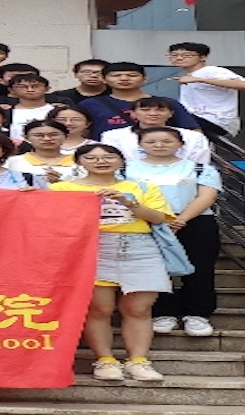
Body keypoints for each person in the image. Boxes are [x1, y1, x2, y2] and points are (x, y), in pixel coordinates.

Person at [51, 143, 176, 385]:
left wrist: (129, 202)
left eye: (109, 156)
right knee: (100, 309)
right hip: (90, 248)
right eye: (92, 157)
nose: (101, 161)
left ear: (121, 161)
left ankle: (138, 361)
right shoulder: (61, 188)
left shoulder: (142, 187)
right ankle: (105, 360)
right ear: (78, 162)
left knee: (139, 308)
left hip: (140, 247)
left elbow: (159, 217)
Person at [121, 124, 223, 338]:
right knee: (154, 269)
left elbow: (207, 196)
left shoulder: (200, 169)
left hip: (194, 222)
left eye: (167, 141)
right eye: (151, 142)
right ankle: (162, 312)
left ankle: (197, 314)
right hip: (144, 222)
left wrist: (181, 219)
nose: (159, 145)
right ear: (140, 145)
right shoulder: (125, 170)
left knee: (200, 268)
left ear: (180, 144)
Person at [165, 43, 245, 137]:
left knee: (164, 116)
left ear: (203, 57)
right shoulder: (191, 75)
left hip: (214, 120)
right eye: (174, 55)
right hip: (196, 119)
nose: (179, 58)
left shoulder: (211, 71)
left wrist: (200, 79)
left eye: (187, 55)